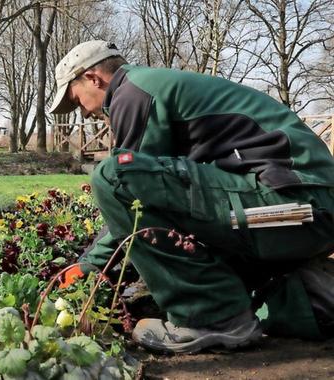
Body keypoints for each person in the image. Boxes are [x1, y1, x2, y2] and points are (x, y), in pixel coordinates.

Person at [49, 40, 334, 353]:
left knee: (112, 174)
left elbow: (130, 196)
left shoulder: (133, 93)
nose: (85, 112)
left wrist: (87, 267)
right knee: (211, 272)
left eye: (77, 101)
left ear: (93, 78)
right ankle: (311, 293)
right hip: (305, 209)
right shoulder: (152, 85)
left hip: (296, 202)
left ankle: (214, 320)